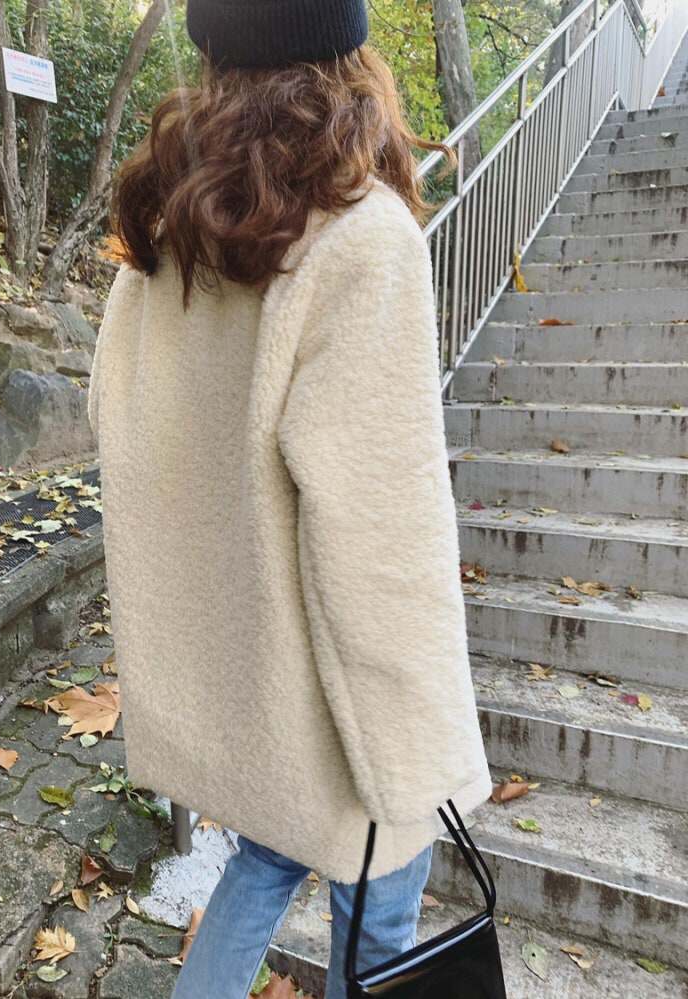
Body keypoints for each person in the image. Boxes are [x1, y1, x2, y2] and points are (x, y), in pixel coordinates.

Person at [87, 1, 492, 996]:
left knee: (265, 858)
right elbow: (380, 534)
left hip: (252, 689)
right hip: (340, 698)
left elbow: (133, 445)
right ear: (349, 58)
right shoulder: (361, 239)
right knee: (381, 924)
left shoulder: (164, 246)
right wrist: (415, 747)